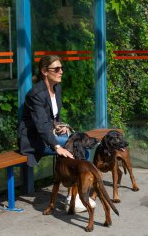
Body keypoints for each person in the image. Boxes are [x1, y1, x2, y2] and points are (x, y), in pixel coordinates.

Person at [18, 55, 95, 211]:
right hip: (34, 140)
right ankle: (76, 197)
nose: (61, 72)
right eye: (57, 69)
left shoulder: (56, 88)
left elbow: (53, 117)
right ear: (45, 71)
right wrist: (57, 146)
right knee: (75, 149)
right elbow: (41, 126)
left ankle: (74, 196)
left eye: (62, 68)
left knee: (81, 144)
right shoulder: (36, 94)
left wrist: (60, 126)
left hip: (50, 135)